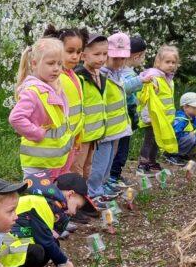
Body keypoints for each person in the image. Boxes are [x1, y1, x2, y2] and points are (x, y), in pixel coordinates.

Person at [9, 37, 73, 176]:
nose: (56, 68)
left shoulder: (50, 88)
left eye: (59, 64)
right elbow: (16, 118)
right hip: (37, 162)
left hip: (50, 159)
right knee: (35, 190)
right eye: (50, 63)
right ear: (34, 64)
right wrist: (37, 133)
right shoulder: (32, 92)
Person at [12, 172, 96, 267]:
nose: (75, 213)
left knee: (53, 245)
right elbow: (44, 240)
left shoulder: (48, 202)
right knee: (39, 251)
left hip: (16, 241)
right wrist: (64, 261)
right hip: (6, 247)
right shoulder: (42, 204)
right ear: (70, 195)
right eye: (77, 207)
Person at [88, 33, 134, 203]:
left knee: (107, 162)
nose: (119, 62)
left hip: (114, 129)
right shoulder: (101, 76)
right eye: (115, 58)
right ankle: (94, 192)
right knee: (98, 164)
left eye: (123, 58)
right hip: (103, 130)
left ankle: (102, 186)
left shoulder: (116, 74)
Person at [46, 26, 87, 178]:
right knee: (52, 175)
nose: (75, 56)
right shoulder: (53, 78)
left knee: (63, 174)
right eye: (70, 51)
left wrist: (78, 137)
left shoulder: (73, 76)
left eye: (78, 52)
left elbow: (78, 110)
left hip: (70, 139)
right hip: (56, 141)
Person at [110, 35, 150, 187]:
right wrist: (140, 80)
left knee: (121, 147)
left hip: (127, 115)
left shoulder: (124, 71)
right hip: (123, 114)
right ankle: (113, 176)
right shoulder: (123, 73)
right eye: (143, 56)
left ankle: (114, 175)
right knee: (121, 148)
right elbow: (124, 88)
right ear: (136, 56)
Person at [74, 33, 109, 197]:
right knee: (76, 169)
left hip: (94, 134)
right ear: (83, 56)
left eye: (105, 54)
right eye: (96, 54)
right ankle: (74, 200)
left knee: (87, 168)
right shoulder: (80, 77)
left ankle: (84, 197)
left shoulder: (101, 76)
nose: (102, 58)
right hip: (81, 135)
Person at [136, 45, 180, 173]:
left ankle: (151, 161)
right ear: (158, 62)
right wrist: (147, 117)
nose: (171, 65)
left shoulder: (169, 79)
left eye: (173, 62)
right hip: (153, 117)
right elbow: (148, 98)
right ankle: (143, 163)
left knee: (157, 140)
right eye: (167, 62)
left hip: (163, 118)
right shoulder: (154, 78)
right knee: (149, 140)